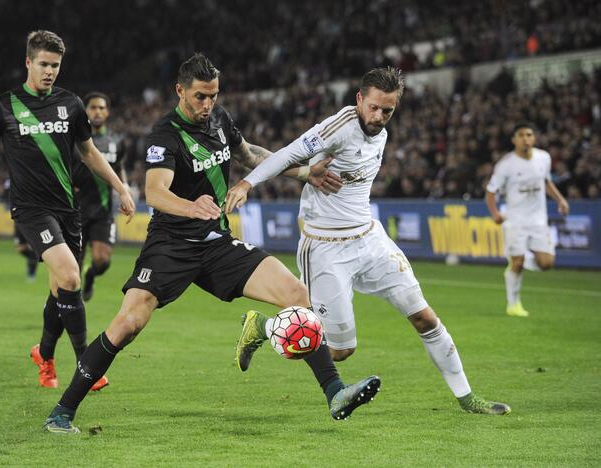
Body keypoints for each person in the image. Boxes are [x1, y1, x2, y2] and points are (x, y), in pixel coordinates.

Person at [43, 53, 378, 434]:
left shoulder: (219, 119)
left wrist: (304, 172)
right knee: (128, 324)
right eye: (200, 97)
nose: (207, 105)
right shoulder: (164, 135)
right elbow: (155, 192)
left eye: (213, 96)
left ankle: (335, 392)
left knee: (296, 293)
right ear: (180, 90)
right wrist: (192, 206)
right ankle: (63, 410)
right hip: (171, 244)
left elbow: (250, 155)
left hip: (217, 243)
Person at [226, 67, 510, 415]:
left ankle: (468, 398)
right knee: (340, 350)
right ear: (360, 99)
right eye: (373, 107)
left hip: (371, 240)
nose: (378, 117)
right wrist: (247, 184)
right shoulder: (339, 128)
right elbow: (288, 153)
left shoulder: (381, 133)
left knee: (425, 318)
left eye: (387, 110)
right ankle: (264, 326)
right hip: (326, 248)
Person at [0, 30, 135, 391]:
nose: (49, 72)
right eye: (43, 64)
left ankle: (44, 354)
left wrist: (121, 188)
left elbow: (89, 153)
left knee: (61, 288)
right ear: (28, 62)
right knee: (71, 276)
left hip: (67, 211)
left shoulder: (71, 105)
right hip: (31, 211)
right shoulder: (4, 106)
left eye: (55, 66)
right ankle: (87, 366)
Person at [485, 123, 569, 317]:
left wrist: (560, 199)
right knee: (518, 261)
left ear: (534, 138)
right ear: (514, 140)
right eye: (521, 135)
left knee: (546, 263)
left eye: (529, 134)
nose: (526, 138)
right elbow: (490, 192)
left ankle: (517, 262)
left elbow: (546, 182)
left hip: (539, 220)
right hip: (515, 220)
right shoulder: (506, 164)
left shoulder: (543, 158)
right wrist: (496, 214)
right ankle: (513, 305)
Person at [73, 92, 127, 301]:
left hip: (103, 212)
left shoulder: (117, 141)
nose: (98, 111)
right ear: (86, 111)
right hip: (75, 211)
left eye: (102, 108)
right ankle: (69, 311)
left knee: (102, 260)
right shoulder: (74, 140)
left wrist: (125, 188)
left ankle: (91, 276)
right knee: (71, 269)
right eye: (93, 107)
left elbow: (119, 166)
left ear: (108, 112)